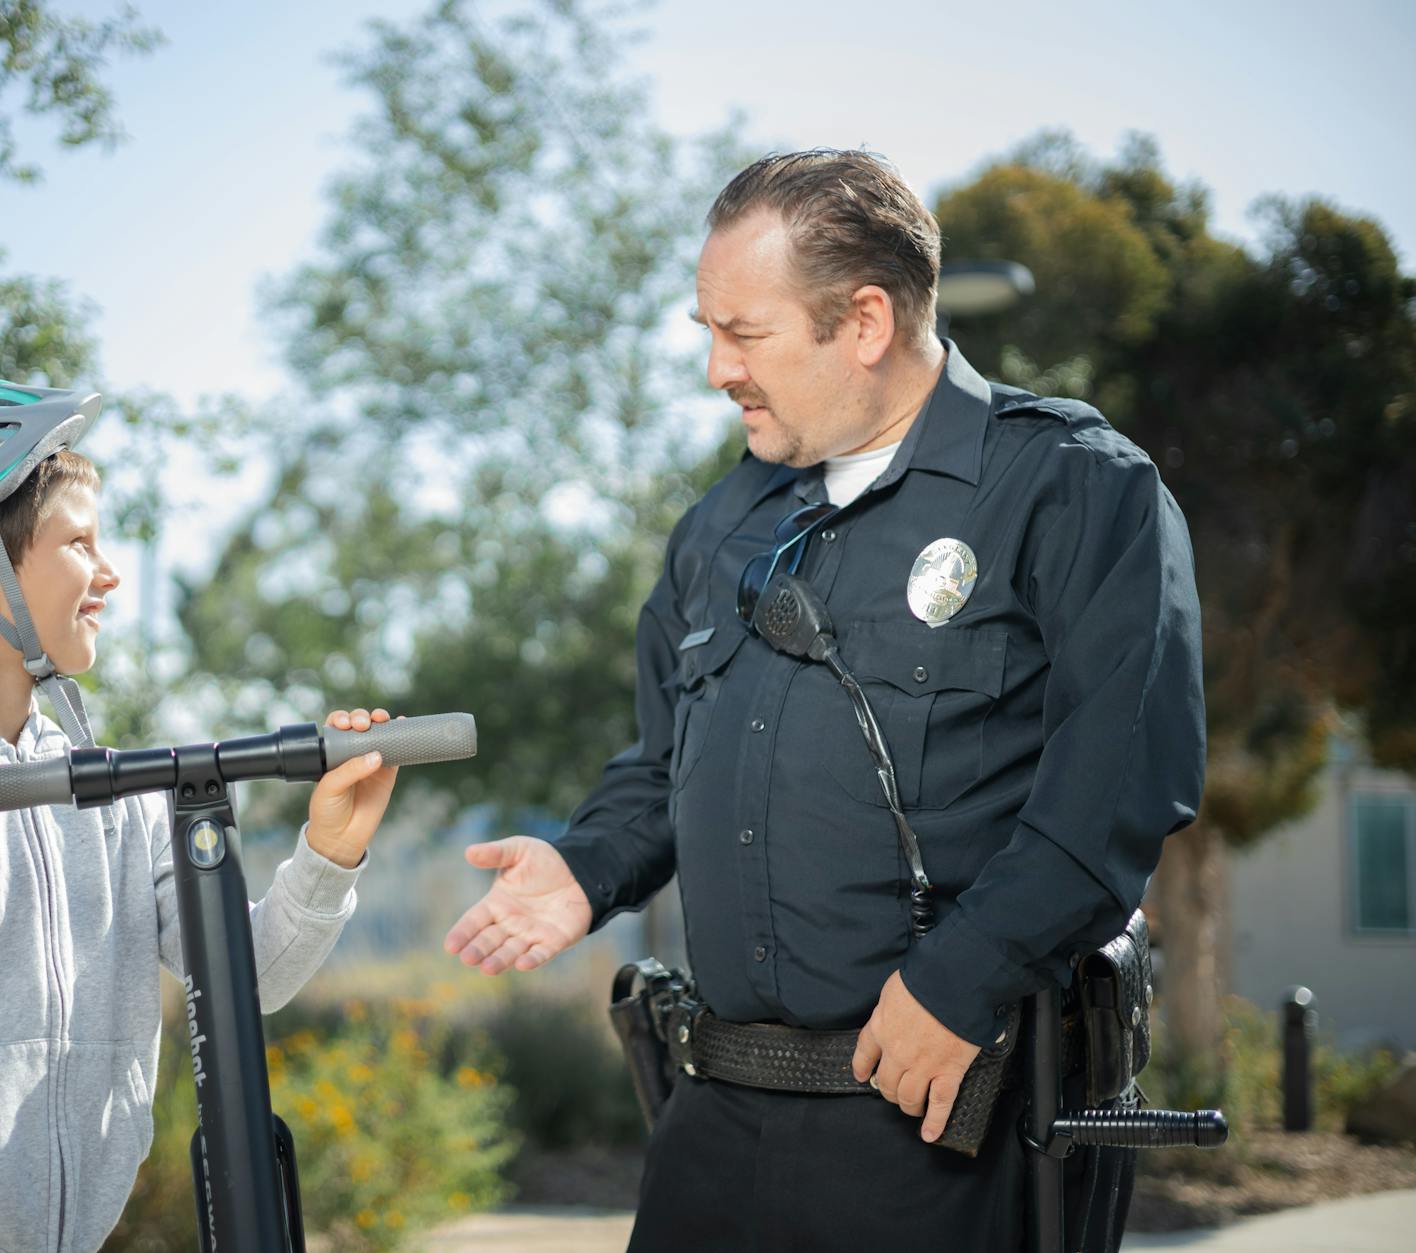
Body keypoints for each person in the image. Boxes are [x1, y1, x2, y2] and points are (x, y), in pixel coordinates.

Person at [443, 150, 1204, 1251]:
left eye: (741, 334)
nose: (713, 368)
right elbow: (661, 760)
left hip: (946, 1108)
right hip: (715, 1120)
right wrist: (584, 864)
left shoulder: (1073, 485)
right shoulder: (721, 523)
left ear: (861, 321)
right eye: (704, 329)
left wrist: (962, 980)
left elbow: (1118, 788)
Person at [0, 377, 400, 1253]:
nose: (110, 572)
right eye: (81, 543)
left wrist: (328, 854)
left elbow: (247, 982)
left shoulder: (112, 794)